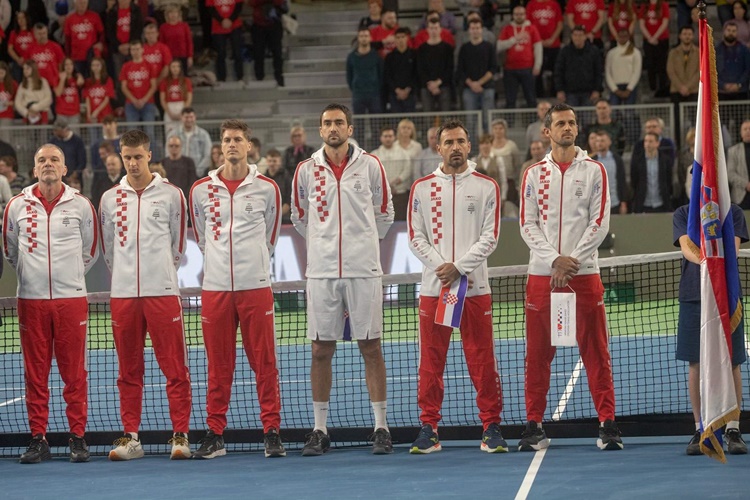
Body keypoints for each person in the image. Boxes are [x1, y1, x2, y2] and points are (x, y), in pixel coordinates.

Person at [291, 103, 394, 456]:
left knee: (371, 347)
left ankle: (381, 426)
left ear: (350, 128)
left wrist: (360, 246)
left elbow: (385, 212)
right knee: (320, 350)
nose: (332, 127)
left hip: (363, 270)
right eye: (326, 123)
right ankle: (320, 429)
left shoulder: (371, 165)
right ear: (320, 131)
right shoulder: (306, 170)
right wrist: (323, 246)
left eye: (338, 122)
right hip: (320, 273)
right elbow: (299, 215)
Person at [519, 103, 622, 452]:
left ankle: (607, 423)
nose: (568, 127)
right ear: (547, 131)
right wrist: (554, 261)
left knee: (596, 351)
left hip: (584, 274)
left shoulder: (595, 171)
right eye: (561, 123)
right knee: (537, 354)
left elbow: (600, 223)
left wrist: (572, 261)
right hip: (542, 277)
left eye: (572, 122)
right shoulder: (533, 174)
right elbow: (527, 224)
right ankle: (533, 424)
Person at [407, 119, 505, 454]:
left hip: (474, 291)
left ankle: (491, 427)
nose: (455, 148)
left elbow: (490, 237)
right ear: (439, 147)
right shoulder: (421, 187)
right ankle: (429, 428)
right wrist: (441, 268)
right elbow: (415, 237)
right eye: (449, 142)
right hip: (435, 292)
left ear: (469, 146)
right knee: (430, 363)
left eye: (461, 141)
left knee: (483, 362)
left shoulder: (486, 186)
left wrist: (459, 268)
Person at [190, 118, 285, 459]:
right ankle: (215, 434)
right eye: (227, 139)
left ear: (249, 146)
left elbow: (271, 237)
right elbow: (201, 238)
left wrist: (251, 266)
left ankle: (271, 431)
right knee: (218, 365)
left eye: (238, 140)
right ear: (220, 146)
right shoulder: (200, 190)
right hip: (215, 290)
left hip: (255, 288)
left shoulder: (267, 188)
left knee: (265, 363)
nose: (232, 144)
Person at [3, 143, 99, 463]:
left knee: (74, 373)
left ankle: (77, 437)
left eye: (54, 160)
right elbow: (11, 251)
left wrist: (67, 277)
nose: (47, 164)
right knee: (35, 373)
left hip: (71, 300)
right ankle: (38, 437)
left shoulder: (81, 205)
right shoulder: (16, 205)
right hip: (31, 301)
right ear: (33, 170)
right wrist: (34, 277)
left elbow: (90, 250)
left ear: (64, 169)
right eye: (41, 160)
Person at [100, 129, 191, 461]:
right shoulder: (110, 198)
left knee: (175, 368)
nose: (133, 163)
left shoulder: (172, 195)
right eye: (127, 157)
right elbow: (109, 249)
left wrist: (160, 275)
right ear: (121, 157)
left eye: (138, 156)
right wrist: (125, 277)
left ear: (149, 155)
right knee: (128, 370)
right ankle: (131, 438)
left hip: (162, 292)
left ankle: (180, 435)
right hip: (123, 294)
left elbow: (178, 247)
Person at [673, 203, 749, 456]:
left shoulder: (732, 212)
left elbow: (733, 249)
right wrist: (707, 265)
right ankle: (700, 427)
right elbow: (685, 247)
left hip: (726, 295)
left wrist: (715, 270)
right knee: (695, 363)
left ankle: (733, 429)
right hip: (694, 295)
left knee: (733, 362)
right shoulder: (683, 213)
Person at [497, 5, 541, 110]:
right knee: (510, 100)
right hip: (510, 69)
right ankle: (509, 125)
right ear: (513, 16)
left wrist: (538, 65)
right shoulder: (507, 29)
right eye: (516, 14)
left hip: (528, 68)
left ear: (525, 15)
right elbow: (499, 46)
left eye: (521, 14)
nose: (519, 16)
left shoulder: (532, 28)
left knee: (530, 98)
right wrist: (514, 40)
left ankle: (533, 124)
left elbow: (538, 48)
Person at [456, 17, 496, 130]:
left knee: (487, 120)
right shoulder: (464, 48)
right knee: (471, 121)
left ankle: (489, 146)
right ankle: (471, 146)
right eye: (473, 28)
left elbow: (493, 68)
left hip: (487, 88)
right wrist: (472, 84)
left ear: (481, 29)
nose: (475, 30)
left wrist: (479, 83)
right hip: (469, 89)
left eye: (477, 28)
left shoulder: (489, 47)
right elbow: (460, 70)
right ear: (469, 30)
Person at [120, 40, 158, 151]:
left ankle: (152, 160)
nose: (135, 51)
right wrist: (134, 100)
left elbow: (153, 85)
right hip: (131, 104)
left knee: (149, 133)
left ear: (142, 50)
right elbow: (123, 87)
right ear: (130, 51)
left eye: (137, 49)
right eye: (133, 49)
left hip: (148, 103)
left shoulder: (149, 65)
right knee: (132, 134)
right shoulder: (126, 66)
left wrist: (144, 100)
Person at [554, 25, 602, 107]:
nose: (577, 38)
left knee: (587, 119)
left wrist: (597, 90)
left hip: (589, 93)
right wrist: (560, 90)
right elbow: (558, 71)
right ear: (572, 37)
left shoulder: (593, 51)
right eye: (575, 35)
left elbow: (598, 71)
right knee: (571, 118)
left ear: (585, 36)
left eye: (580, 35)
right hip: (570, 92)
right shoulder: (565, 52)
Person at [372, 125, 411, 220]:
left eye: (390, 136)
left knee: (400, 223)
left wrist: (395, 183)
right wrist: (387, 186)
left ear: (394, 137)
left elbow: (408, 169)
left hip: (399, 193)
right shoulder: (374, 154)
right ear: (381, 138)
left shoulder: (403, 153)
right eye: (385, 136)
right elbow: (373, 174)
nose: (388, 139)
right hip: (381, 196)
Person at [526, 0, 563, 98]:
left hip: (554, 44)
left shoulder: (554, 4)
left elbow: (560, 24)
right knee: (537, 71)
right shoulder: (531, 4)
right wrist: (538, 41)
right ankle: (539, 96)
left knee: (556, 71)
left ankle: (555, 94)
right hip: (536, 45)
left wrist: (552, 39)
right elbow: (528, 26)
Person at [667, 25, 699, 137]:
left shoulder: (699, 52)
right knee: (677, 120)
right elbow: (670, 71)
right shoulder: (673, 52)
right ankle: (678, 144)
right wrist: (681, 87)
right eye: (685, 34)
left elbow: (700, 72)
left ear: (693, 36)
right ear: (680, 36)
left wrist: (688, 87)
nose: (687, 37)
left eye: (689, 34)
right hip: (676, 90)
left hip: (693, 91)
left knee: (696, 120)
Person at [416, 17, 453, 112]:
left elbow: (449, 68)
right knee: (428, 117)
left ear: (440, 29)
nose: (434, 31)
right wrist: (430, 84)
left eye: (436, 28)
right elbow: (420, 69)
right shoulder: (422, 49)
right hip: (426, 86)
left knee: (446, 119)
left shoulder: (447, 48)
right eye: (431, 28)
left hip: (444, 85)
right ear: (427, 30)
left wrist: (438, 82)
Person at [630, 132, 672, 213]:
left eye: (650, 141)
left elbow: (668, 180)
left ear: (657, 143)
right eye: (645, 141)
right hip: (643, 204)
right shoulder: (637, 160)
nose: (647, 144)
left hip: (661, 203)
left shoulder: (665, 160)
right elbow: (634, 180)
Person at [347, 27, 384, 115]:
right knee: (359, 123)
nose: (364, 38)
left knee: (375, 122)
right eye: (361, 36)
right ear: (358, 38)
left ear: (370, 38)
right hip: (358, 94)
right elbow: (349, 75)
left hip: (374, 93)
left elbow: (381, 74)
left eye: (366, 36)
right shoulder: (352, 57)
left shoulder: (376, 56)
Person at [248, 0, 285, 87]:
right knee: (258, 53)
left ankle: (279, 76)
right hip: (258, 24)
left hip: (274, 23)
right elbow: (251, 2)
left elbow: (280, 2)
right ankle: (259, 78)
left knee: (277, 52)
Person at [167, 107, 213, 177]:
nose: (189, 120)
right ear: (181, 117)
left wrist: (198, 171)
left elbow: (208, 155)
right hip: (177, 173)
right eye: (186, 117)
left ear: (195, 117)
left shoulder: (204, 135)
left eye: (191, 117)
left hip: (198, 173)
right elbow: (168, 153)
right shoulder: (172, 134)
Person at [63, 0, 104, 76]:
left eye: (84, 3)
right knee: (79, 79)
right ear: (75, 4)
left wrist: (100, 43)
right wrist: (68, 56)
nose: (82, 5)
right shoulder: (70, 19)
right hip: (76, 56)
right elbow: (67, 39)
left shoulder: (94, 16)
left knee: (92, 78)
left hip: (92, 55)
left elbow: (101, 33)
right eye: (80, 3)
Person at [639, 0, 670, 97]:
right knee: (650, 64)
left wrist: (655, 37)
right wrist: (650, 38)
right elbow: (641, 24)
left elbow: (665, 23)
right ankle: (652, 88)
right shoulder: (644, 6)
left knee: (662, 64)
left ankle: (662, 89)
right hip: (648, 40)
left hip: (662, 39)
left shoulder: (664, 5)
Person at [591, 131, 628, 214]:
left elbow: (622, 181)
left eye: (602, 141)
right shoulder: (592, 161)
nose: (599, 143)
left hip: (614, 202)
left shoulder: (617, 159)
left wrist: (623, 202)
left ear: (609, 142)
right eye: (597, 141)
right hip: (597, 205)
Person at [207, 0, 243, 82]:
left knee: (237, 52)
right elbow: (210, 8)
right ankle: (221, 78)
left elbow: (239, 6)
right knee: (220, 53)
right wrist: (221, 20)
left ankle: (240, 77)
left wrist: (230, 19)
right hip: (218, 26)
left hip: (235, 25)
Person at [384, 27, 417, 113]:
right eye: (398, 37)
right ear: (394, 39)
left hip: (410, 93)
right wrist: (397, 90)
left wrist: (408, 89)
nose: (400, 40)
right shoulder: (389, 57)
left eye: (402, 37)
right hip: (394, 94)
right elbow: (387, 75)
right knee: (396, 122)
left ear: (407, 38)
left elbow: (416, 73)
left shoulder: (414, 55)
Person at [605, 29, 641, 105]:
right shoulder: (611, 53)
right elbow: (608, 72)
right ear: (617, 37)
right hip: (615, 87)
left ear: (628, 37)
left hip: (630, 87)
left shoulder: (635, 52)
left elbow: (637, 72)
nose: (622, 38)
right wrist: (615, 89)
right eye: (620, 36)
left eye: (625, 36)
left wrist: (629, 89)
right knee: (615, 113)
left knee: (629, 114)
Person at [716, 20, 750, 100]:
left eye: (734, 31)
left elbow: (748, 69)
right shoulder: (716, 50)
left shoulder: (744, 50)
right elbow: (712, 70)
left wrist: (738, 84)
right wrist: (723, 85)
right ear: (724, 31)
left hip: (741, 91)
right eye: (729, 30)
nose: (731, 33)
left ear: (737, 33)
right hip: (721, 92)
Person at [159, 60, 193, 138]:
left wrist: (183, 112)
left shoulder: (186, 81)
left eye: (177, 66)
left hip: (182, 105)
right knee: (169, 133)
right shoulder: (164, 82)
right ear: (170, 68)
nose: (175, 69)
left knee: (183, 133)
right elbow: (162, 99)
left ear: (180, 68)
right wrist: (169, 112)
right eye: (173, 67)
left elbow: (189, 97)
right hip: (169, 107)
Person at [27, 23, 65, 90]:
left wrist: (60, 80)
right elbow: (27, 66)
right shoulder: (30, 48)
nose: (42, 36)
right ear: (34, 35)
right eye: (39, 34)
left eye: (44, 33)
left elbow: (61, 64)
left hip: (52, 83)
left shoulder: (55, 47)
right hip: (36, 82)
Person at [15, 61, 52, 125]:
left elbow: (48, 98)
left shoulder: (43, 82)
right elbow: (17, 102)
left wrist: (36, 107)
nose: (25, 70)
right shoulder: (22, 85)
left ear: (33, 69)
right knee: (28, 134)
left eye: (27, 68)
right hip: (28, 115)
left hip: (42, 114)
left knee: (43, 134)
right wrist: (26, 112)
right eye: (24, 68)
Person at [159, 5, 193, 72]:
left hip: (183, 55)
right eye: (170, 13)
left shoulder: (184, 26)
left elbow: (189, 42)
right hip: (169, 57)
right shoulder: (163, 27)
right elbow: (161, 44)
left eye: (175, 12)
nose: (173, 15)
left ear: (178, 14)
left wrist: (190, 56)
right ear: (167, 15)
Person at [83, 57, 115, 128]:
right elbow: (87, 99)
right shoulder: (88, 81)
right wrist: (89, 113)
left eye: (97, 65)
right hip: (92, 114)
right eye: (93, 65)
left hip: (104, 113)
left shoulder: (108, 80)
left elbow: (107, 99)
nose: (95, 68)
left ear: (102, 66)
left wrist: (97, 111)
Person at [265, 148, 291, 223]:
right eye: (270, 161)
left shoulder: (287, 177)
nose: (272, 164)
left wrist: (277, 215)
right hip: (267, 218)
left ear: (280, 162)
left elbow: (289, 200)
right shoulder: (263, 178)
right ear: (266, 162)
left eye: (275, 161)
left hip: (285, 218)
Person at [727, 119, 750, 209]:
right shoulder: (733, 151)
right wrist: (746, 184)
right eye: (745, 129)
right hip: (740, 196)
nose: (748, 131)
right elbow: (730, 173)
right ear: (741, 133)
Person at [54, 57, 84, 124]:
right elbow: (58, 93)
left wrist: (79, 76)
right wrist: (62, 80)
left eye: (71, 64)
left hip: (74, 113)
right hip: (61, 112)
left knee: (74, 134)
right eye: (66, 64)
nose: (69, 66)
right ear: (63, 66)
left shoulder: (76, 78)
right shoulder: (57, 78)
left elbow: (81, 82)